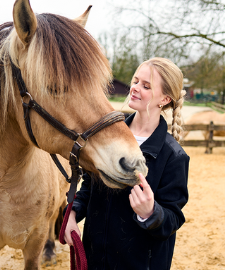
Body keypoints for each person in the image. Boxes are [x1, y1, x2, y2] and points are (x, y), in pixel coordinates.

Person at [62, 57, 189, 269]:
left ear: (165, 99)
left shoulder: (174, 156)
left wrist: (151, 212)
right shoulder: (107, 136)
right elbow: (89, 187)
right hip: (95, 259)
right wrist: (73, 212)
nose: (135, 88)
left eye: (146, 86)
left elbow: (172, 219)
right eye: (136, 81)